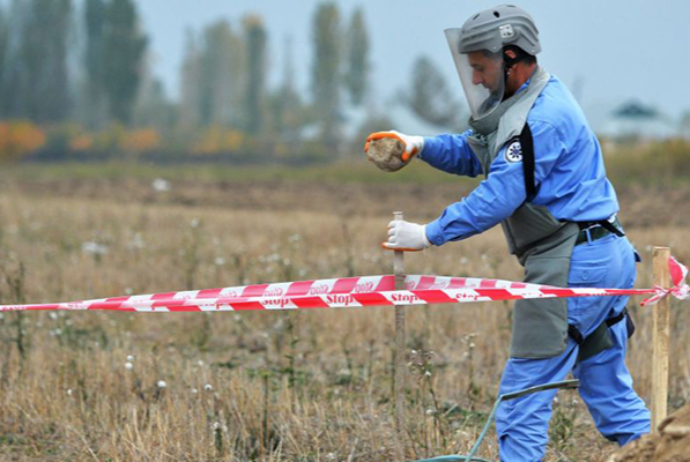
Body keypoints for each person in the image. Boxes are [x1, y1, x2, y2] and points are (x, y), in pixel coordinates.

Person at [364, 5, 650, 461]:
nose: (475, 78)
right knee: (609, 391)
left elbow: (500, 194)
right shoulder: (525, 103)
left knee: (522, 397)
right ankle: (663, 453)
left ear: (512, 56)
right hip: (603, 254)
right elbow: (476, 150)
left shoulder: (541, 119)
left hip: (571, 265)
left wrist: (428, 234)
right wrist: (419, 146)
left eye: (480, 67)